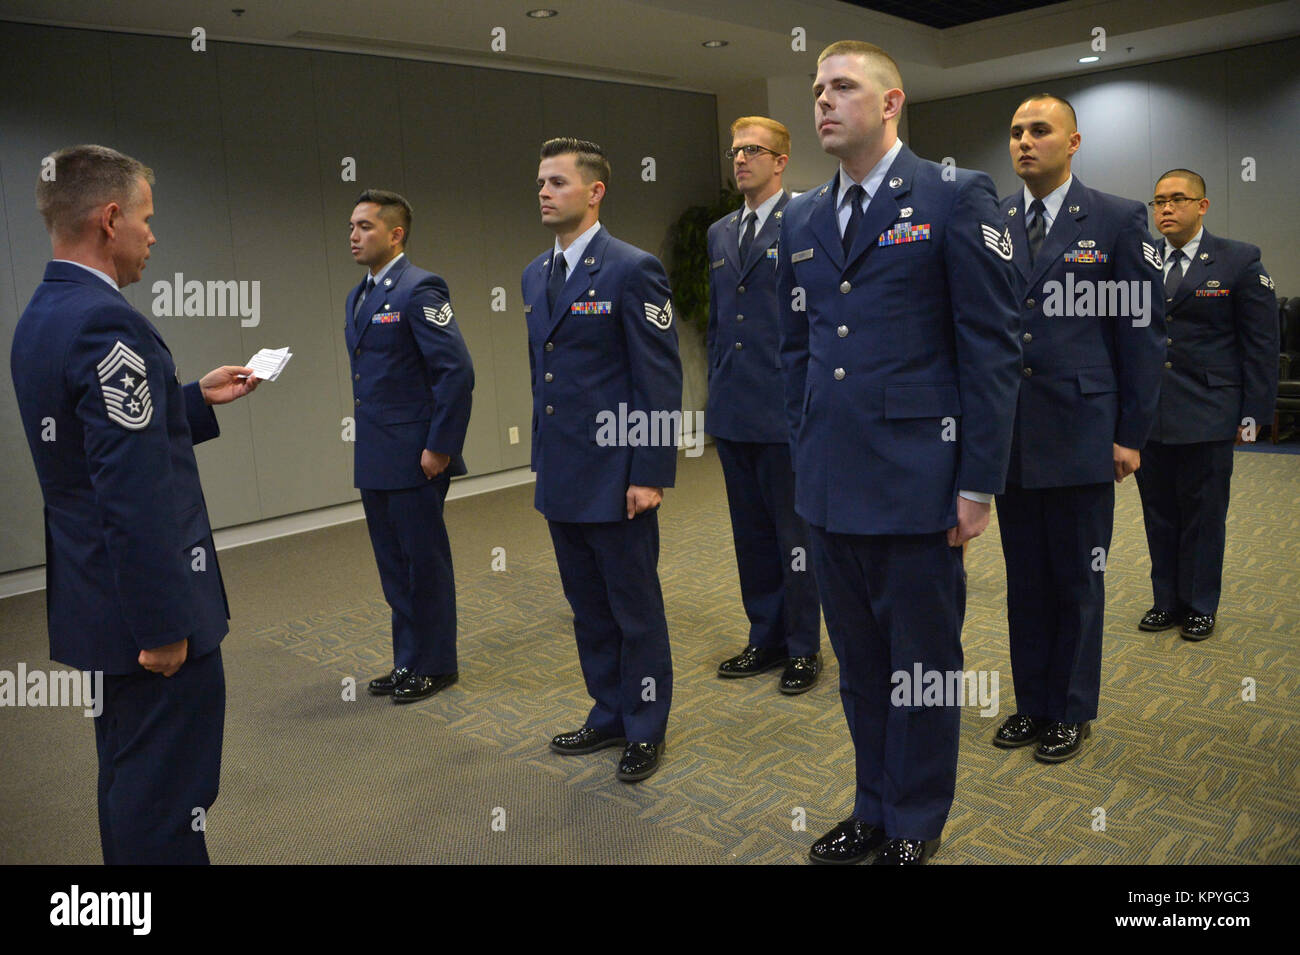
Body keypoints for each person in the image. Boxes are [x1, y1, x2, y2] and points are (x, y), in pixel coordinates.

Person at [778, 43, 1022, 864]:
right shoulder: (804, 215)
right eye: (817, 89)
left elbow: (990, 348)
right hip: (828, 485)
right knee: (858, 668)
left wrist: (978, 482)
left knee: (922, 667)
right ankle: (872, 807)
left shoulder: (953, 196)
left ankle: (915, 820)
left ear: (891, 104)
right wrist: (802, 442)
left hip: (921, 478)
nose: (823, 102)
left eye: (842, 87)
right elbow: (795, 345)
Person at [10, 144, 259, 864]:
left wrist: (191, 401)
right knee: (167, 810)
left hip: (97, 601)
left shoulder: (45, 312)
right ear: (110, 217)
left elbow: (97, 447)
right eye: (146, 219)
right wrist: (164, 624)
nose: (153, 235)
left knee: (131, 787)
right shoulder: (107, 323)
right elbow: (133, 491)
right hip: (147, 621)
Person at [991, 95, 1166, 763]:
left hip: (1084, 427)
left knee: (1076, 578)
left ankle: (1071, 708)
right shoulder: (995, 220)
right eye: (1015, 133)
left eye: (1039, 130)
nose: (1025, 142)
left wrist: (1131, 433)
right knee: (1025, 579)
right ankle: (1031, 702)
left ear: (1074, 141)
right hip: (1011, 434)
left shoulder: (1118, 219)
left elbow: (1142, 334)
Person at [522, 137, 682, 782]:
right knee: (587, 607)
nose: (543, 192)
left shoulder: (631, 268)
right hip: (563, 472)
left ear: (595, 193)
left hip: (619, 475)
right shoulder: (536, 273)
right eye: (540, 182)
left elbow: (658, 380)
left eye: (557, 182)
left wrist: (649, 471)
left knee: (634, 609)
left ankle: (645, 725)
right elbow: (546, 377)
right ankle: (608, 711)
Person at [1135, 169, 1278, 641]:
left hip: (1210, 408)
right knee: (1158, 512)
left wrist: (1254, 413)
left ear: (1203, 205)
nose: (1166, 210)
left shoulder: (1239, 260)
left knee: (1203, 513)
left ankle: (1199, 604)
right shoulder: (1140, 258)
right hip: (1150, 411)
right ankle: (1166, 600)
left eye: (1177, 200)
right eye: (1159, 202)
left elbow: (1260, 343)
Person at [707, 116, 821, 694]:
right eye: (735, 151)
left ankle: (803, 647)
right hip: (733, 408)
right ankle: (765, 636)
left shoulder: (805, 217)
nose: (741, 159)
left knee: (794, 536)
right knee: (750, 533)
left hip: (785, 407)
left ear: (781, 160)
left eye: (754, 150)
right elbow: (720, 323)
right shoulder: (720, 231)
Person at [346, 190, 474, 704]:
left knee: (424, 565)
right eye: (351, 227)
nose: (353, 236)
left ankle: (437, 664)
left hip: (417, 455)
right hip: (375, 454)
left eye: (365, 227)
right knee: (394, 566)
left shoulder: (421, 290)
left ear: (396, 234)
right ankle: (408, 661)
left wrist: (440, 445)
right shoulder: (359, 295)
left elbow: (456, 372)